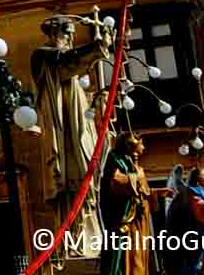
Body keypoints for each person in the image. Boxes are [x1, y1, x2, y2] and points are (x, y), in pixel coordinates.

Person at [31, 15, 112, 254]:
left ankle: (87, 239)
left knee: (86, 170)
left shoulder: (64, 63)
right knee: (70, 178)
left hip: (76, 123)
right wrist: (97, 48)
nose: (71, 37)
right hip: (61, 128)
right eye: (68, 32)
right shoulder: (43, 55)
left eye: (73, 33)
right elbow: (68, 63)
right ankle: (74, 241)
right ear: (54, 32)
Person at [100, 133, 152, 275]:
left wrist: (157, 192)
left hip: (133, 217)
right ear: (131, 144)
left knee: (133, 256)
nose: (143, 147)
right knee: (120, 257)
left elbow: (142, 190)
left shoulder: (129, 161)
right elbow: (116, 180)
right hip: (121, 217)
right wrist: (137, 176)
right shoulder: (115, 158)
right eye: (141, 143)